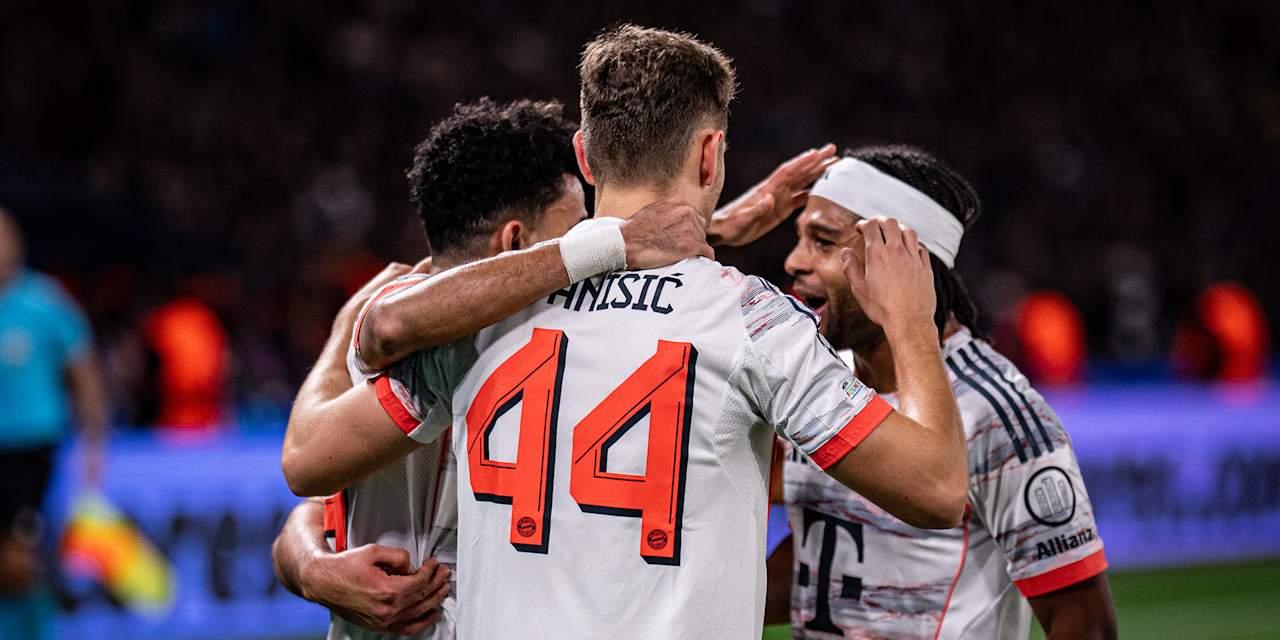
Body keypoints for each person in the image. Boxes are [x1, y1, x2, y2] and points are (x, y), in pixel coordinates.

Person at [282, 25, 968, 639]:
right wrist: (911, 320)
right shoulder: (752, 322)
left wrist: (310, 563)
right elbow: (936, 491)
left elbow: (312, 464)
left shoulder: (483, 313)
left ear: (585, 155)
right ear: (710, 156)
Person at [272, 97, 714, 638]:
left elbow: (315, 505)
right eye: (576, 228)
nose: (588, 243)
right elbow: (312, 466)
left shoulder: (519, 324)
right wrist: (616, 243)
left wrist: (311, 565)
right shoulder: (424, 323)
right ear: (514, 242)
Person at [743, 146, 1116, 639]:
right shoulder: (824, 383)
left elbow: (1083, 622)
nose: (794, 261)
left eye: (824, 242)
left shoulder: (995, 410)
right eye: (800, 238)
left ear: (903, 264)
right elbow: (828, 556)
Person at [0, 207, 109, 639]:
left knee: (21, 557)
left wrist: (94, 439)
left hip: (32, 448)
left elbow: (82, 371)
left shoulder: (43, 302)